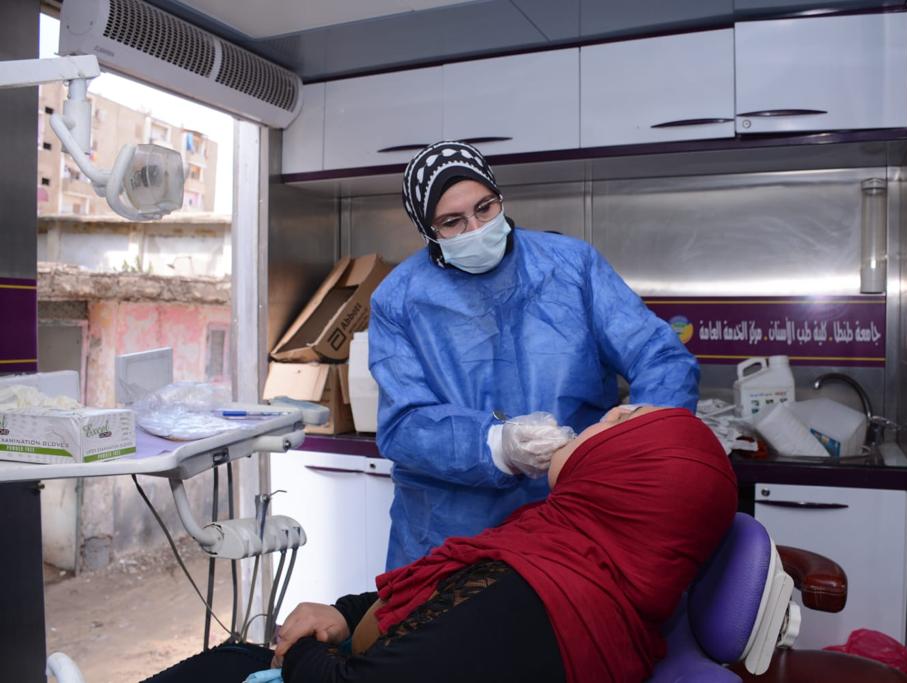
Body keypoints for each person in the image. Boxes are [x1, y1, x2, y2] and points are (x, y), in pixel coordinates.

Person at [143, 405, 736, 683]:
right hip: (365, 649)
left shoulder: (533, 597)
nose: (606, 413)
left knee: (228, 663)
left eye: (620, 424)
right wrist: (346, 614)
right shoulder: (562, 553)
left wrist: (296, 654)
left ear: (629, 479)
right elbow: (446, 600)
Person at [371, 140, 701, 568]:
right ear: (427, 230)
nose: (476, 228)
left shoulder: (571, 266)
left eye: (485, 208)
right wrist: (497, 445)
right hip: (450, 532)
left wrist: (636, 435)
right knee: (449, 613)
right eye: (452, 222)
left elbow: (660, 357)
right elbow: (403, 427)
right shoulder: (398, 300)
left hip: (572, 514)